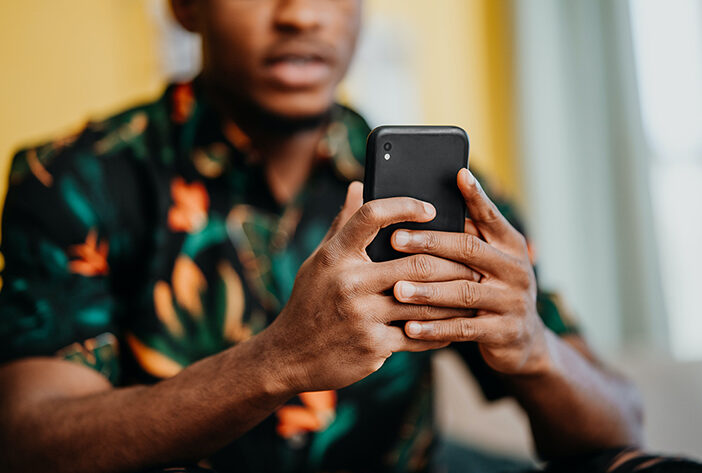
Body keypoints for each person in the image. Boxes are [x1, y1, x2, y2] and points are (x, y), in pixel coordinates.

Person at [0, 1, 698, 472]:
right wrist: (277, 360)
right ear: (185, 4)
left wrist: (533, 347)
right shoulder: (73, 179)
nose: (302, 15)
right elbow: (29, 438)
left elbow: (619, 423)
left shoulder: (444, 188)